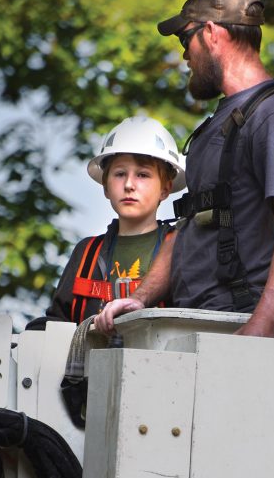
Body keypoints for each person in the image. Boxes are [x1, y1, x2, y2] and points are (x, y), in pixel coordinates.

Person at [94, 0, 274, 338]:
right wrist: (140, 298)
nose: (184, 54)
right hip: (195, 321)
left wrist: (261, 325)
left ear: (213, 33)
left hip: (236, 324)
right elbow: (189, 225)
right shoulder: (221, 123)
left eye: (186, 38)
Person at [46, 115, 186, 323]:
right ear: (105, 187)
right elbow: (56, 324)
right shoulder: (86, 254)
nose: (129, 184)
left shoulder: (181, 247)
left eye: (143, 175)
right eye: (120, 174)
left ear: (165, 189)